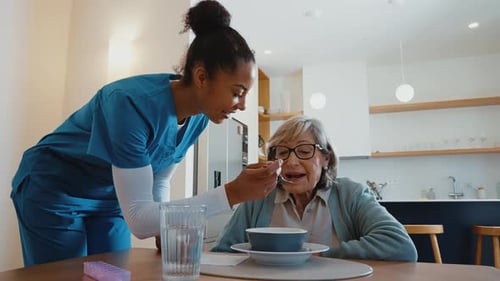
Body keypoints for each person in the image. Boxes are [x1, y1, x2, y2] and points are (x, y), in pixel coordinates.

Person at [11, 0, 280, 266]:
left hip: (108, 198)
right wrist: (232, 193)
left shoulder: (199, 118)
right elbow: (139, 220)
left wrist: (164, 225)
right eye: (237, 92)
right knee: (65, 275)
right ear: (201, 77)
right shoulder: (129, 103)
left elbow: (158, 178)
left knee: (114, 272)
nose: (242, 105)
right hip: (54, 188)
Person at [211, 115, 417, 262]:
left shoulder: (350, 194)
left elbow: (399, 245)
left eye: (304, 151)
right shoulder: (260, 196)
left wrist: (321, 255)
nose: (291, 161)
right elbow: (222, 253)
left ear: (325, 158)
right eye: (282, 152)